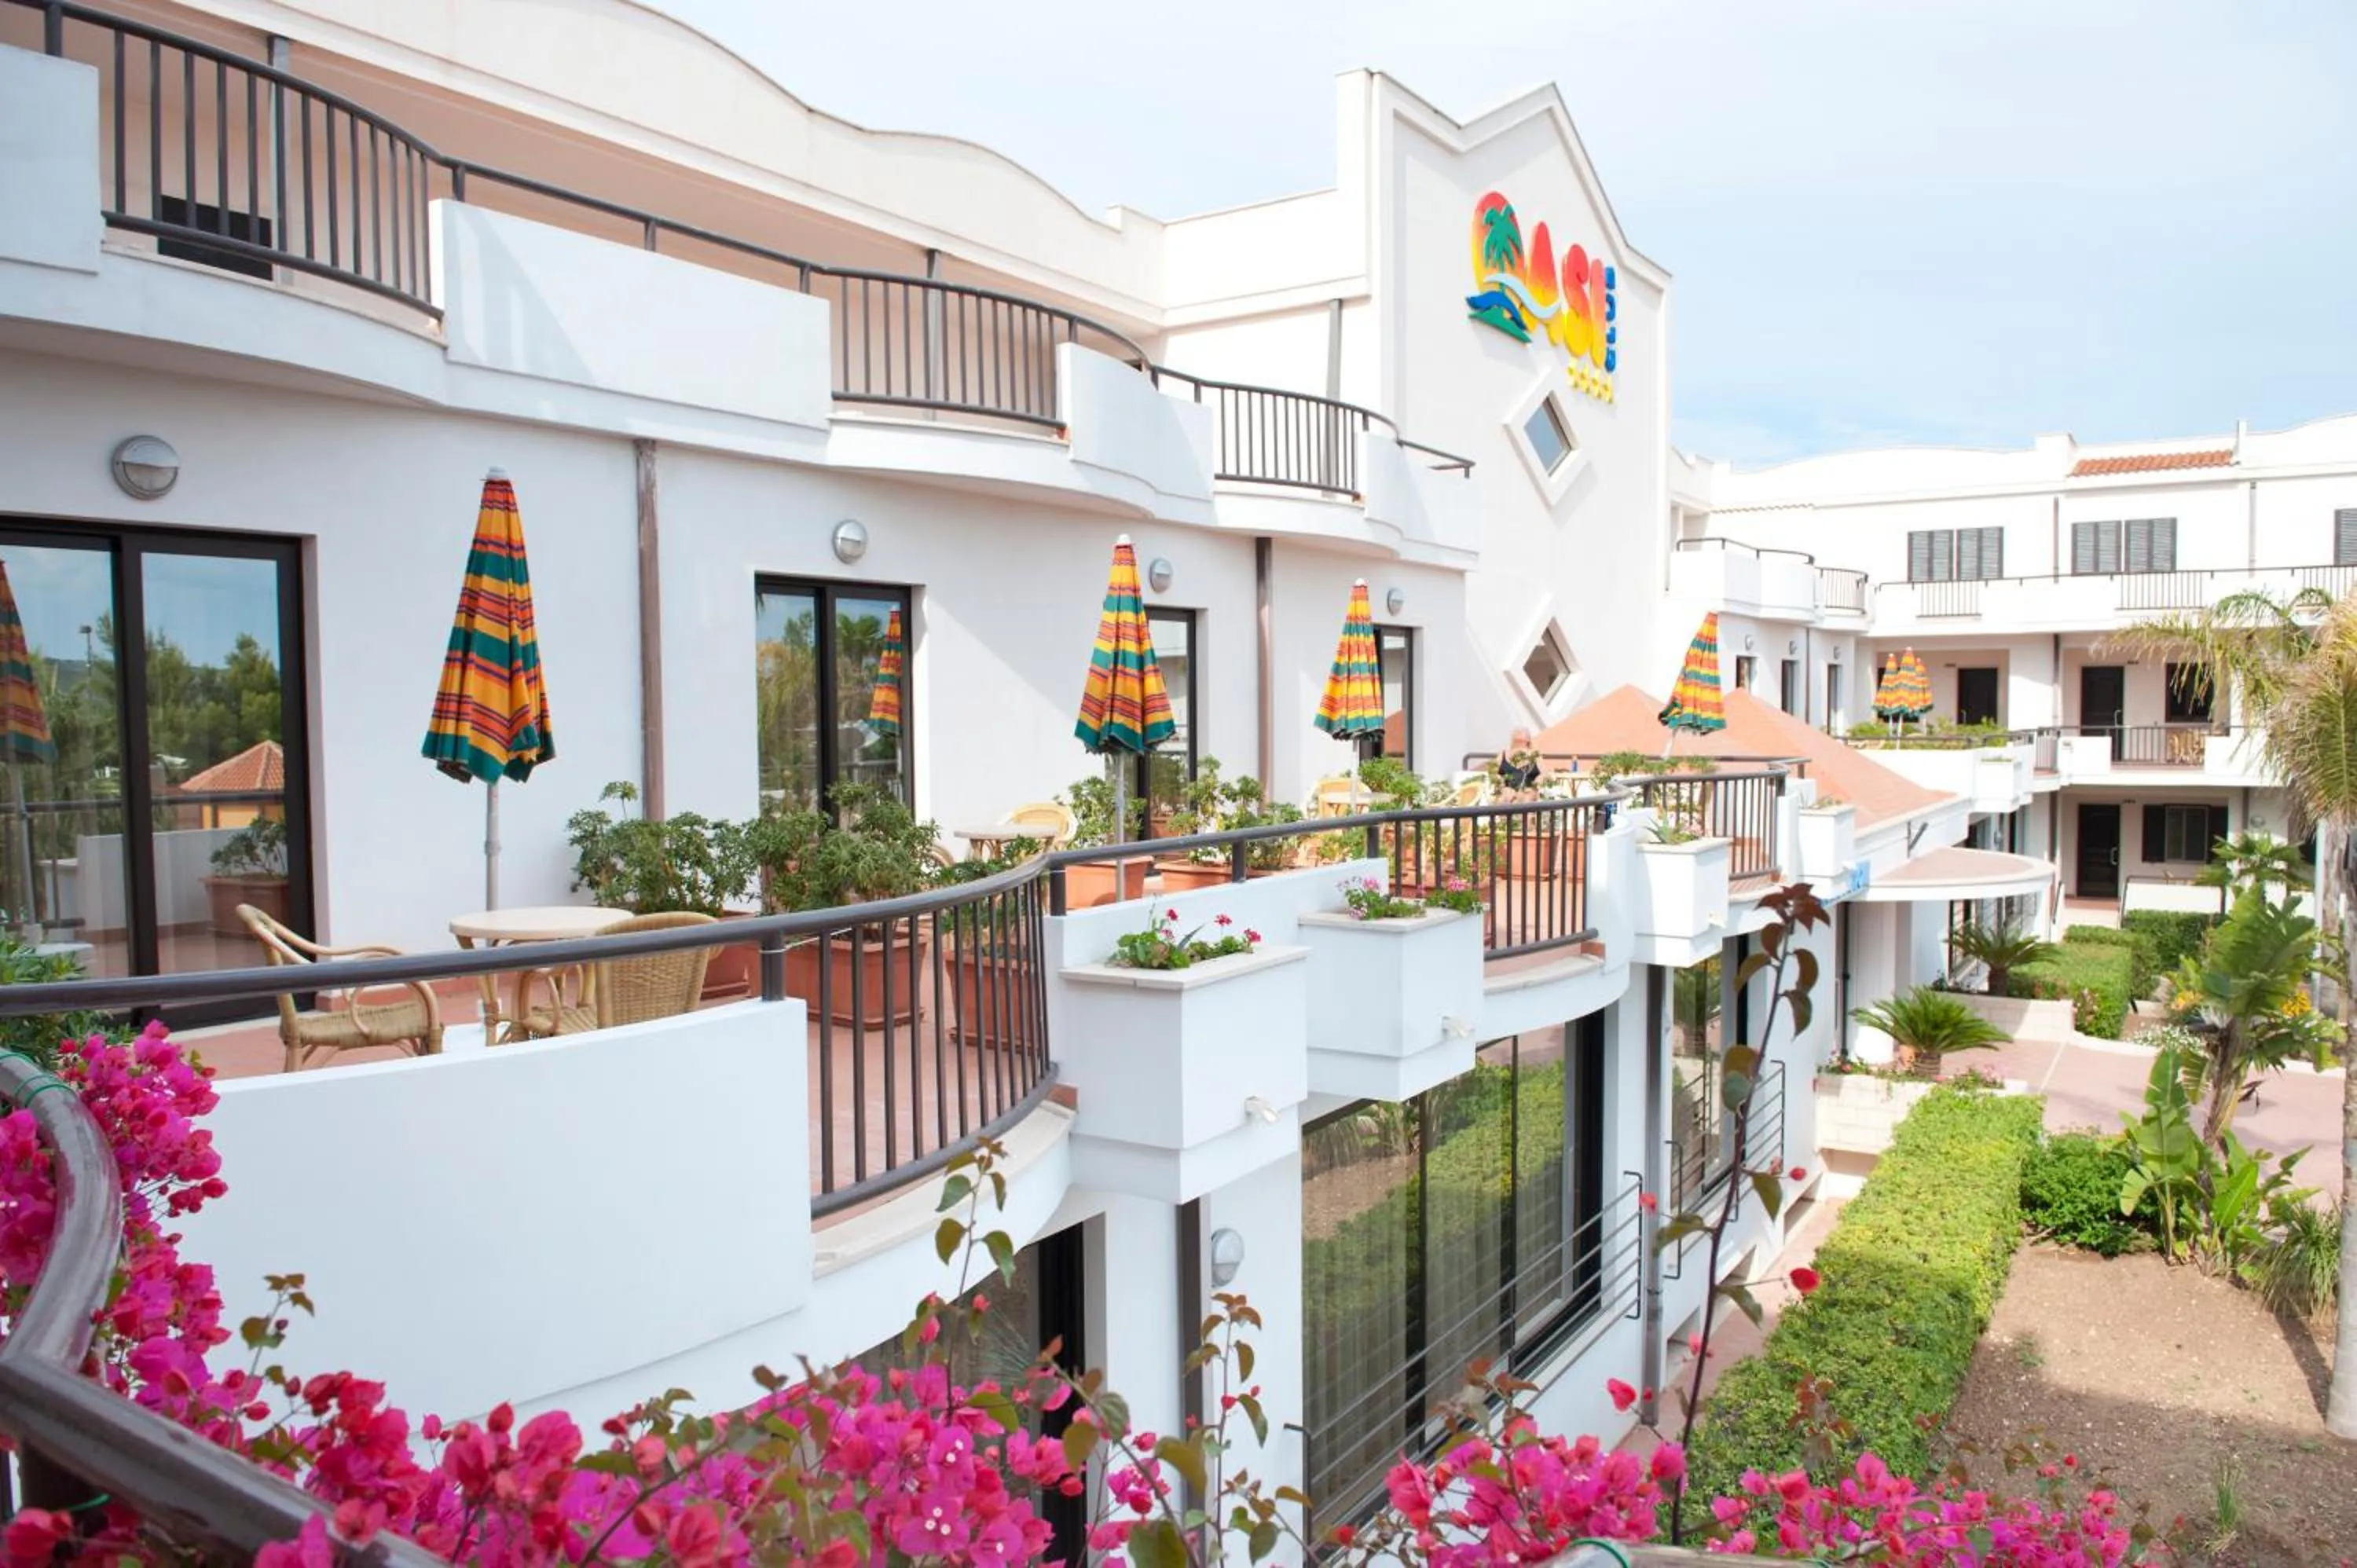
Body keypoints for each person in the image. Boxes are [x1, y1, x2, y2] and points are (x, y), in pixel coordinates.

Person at [1495, 727, 1544, 793]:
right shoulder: (1502, 755)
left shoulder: (1535, 755)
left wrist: (1534, 787)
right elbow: (1494, 773)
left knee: (1527, 796)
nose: (1519, 732)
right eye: (1517, 732)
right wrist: (1502, 788)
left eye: (1521, 741)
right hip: (1507, 793)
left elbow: (1543, 774)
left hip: (1529, 793)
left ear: (1528, 740)